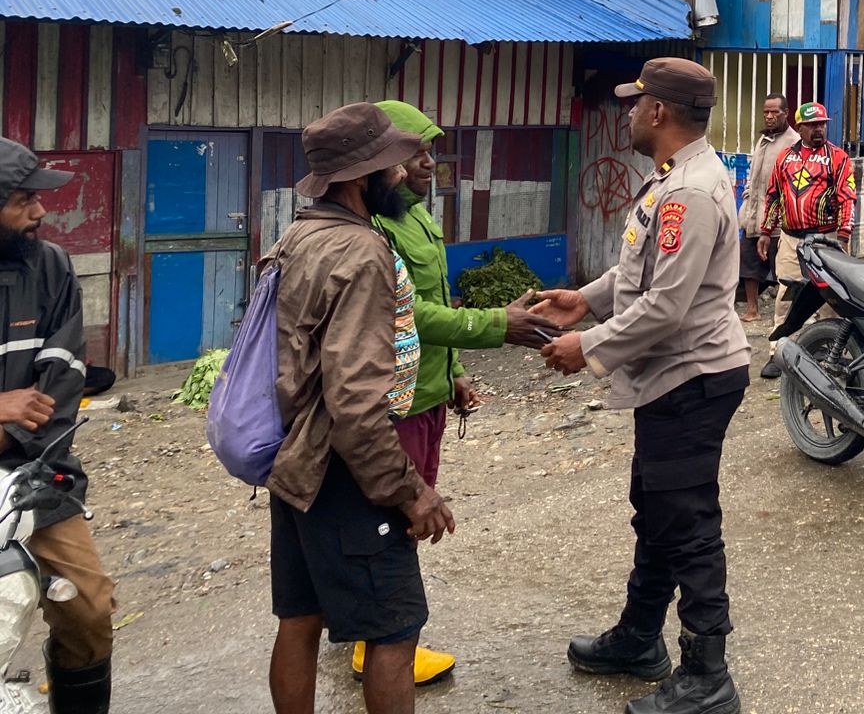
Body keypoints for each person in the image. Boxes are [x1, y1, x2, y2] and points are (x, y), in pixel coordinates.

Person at [531, 59, 750, 714]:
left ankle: (707, 675)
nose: (627, 113)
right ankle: (638, 638)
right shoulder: (674, 181)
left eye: (635, 103)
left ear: (658, 113)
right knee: (655, 509)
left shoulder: (688, 192)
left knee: (687, 523)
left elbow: (667, 308)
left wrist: (588, 349)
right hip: (673, 377)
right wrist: (584, 299)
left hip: (692, 375)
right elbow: (643, 274)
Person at [266, 103, 455, 714]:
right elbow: (354, 402)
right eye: (392, 165)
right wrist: (409, 492)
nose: (402, 174)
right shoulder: (363, 252)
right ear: (358, 178)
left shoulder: (298, 234)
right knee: (395, 632)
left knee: (300, 618)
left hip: (296, 465)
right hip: (345, 472)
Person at [360, 101, 552, 684]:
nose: (427, 165)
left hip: (426, 396)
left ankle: (375, 635)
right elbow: (406, 313)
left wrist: (455, 373)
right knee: (393, 519)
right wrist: (497, 325)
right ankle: (380, 644)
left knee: (400, 518)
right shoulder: (372, 227)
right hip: (392, 405)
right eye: (415, 153)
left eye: (430, 153)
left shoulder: (416, 216)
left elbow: (439, 306)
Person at [0, 138, 115, 713]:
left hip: (37, 472)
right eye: (22, 201)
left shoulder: (50, 267)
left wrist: (11, 433)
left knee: (88, 607)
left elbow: (63, 379)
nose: (40, 213)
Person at [757, 103, 856, 380]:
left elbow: (847, 198)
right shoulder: (784, 158)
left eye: (822, 124)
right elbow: (774, 196)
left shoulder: (838, 158)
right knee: (786, 297)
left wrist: (844, 237)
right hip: (790, 240)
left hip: (826, 240)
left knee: (829, 298)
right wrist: (766, 232)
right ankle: (778, 352)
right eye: (812, 125)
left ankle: (830, 354)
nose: (818, 129)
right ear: (799, 128)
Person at [737, 93, 797, 323]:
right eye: (766, 112)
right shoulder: (763, 140)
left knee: (781, 270)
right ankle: (753, 310)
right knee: (749, 267)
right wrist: (746, 200)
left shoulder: (792, 142)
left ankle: (783, 317)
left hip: (776, 220)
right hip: (753, 216)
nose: (770, 117)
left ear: (786, 114)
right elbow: (754, 177)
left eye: (775, 112)